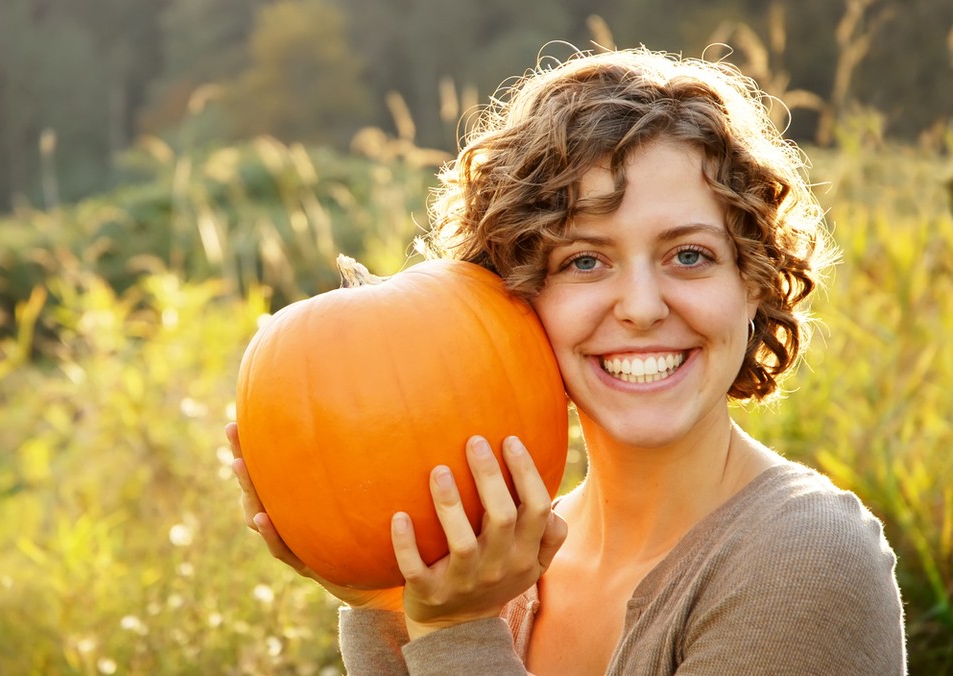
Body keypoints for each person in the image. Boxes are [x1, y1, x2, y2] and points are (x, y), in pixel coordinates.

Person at [228, 47, 907, 674]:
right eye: (585, 260)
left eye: (690, 256)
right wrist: (385, 602)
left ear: (753, 279)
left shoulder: (804, 560)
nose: (641, 307)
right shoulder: (491, 562)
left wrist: (461, 630)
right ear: (514, 296)